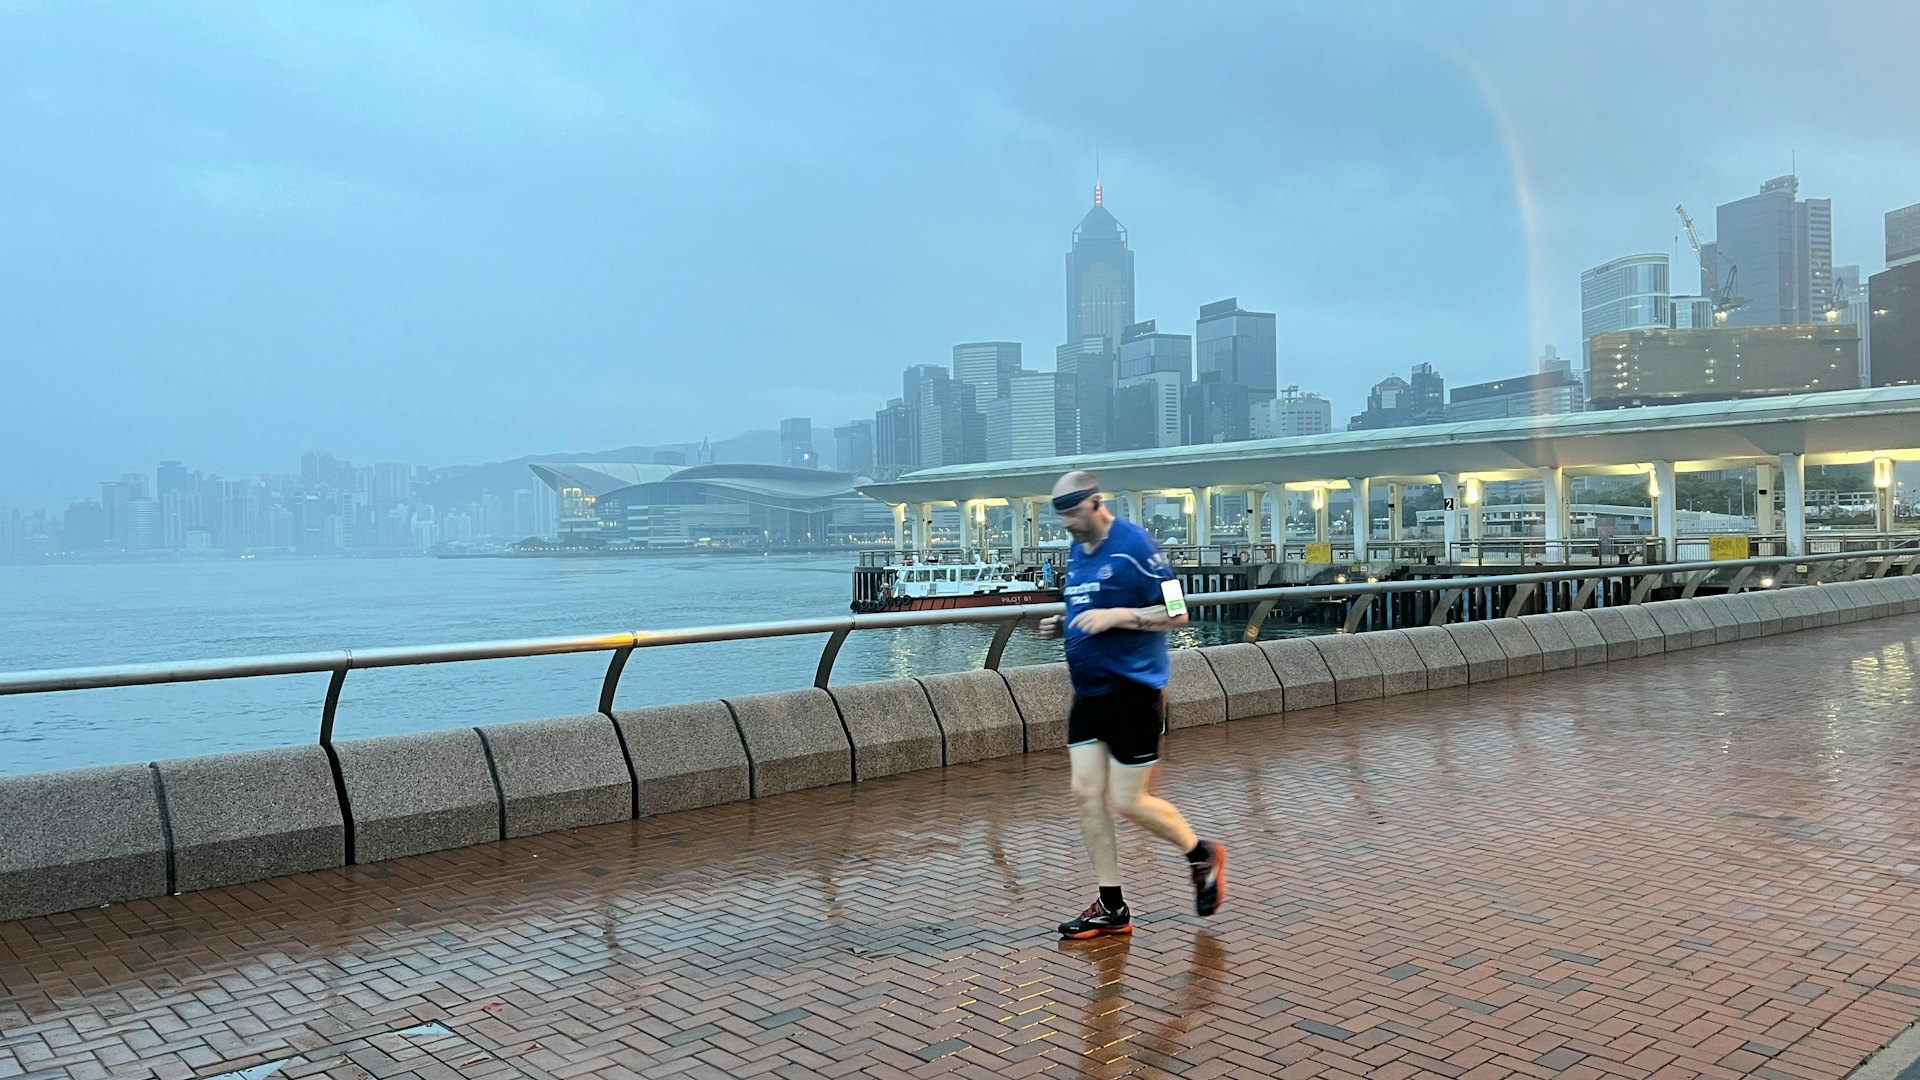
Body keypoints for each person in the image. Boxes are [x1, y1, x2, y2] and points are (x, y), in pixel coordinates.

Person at [1039, 470, 1226, 939]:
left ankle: (1199, 852)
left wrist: (1120, 616)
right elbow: (1088, 607)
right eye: (1060, 517)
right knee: (1085, 793)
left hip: (1133, 693)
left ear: (1096, 502)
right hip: (1088, 694)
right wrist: (1064, 623)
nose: (1068, 525)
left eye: (1073, 514)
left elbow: (1178, 610)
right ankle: (1112, 906)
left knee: (1127, 801)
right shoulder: (1076, 551)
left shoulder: (1137, 547)